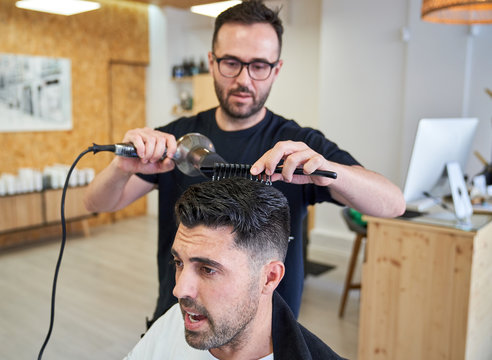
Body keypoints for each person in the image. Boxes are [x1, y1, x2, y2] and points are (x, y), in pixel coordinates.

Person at [84, 0, 405, 325]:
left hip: (265, 336)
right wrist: (121, 169)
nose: (244, 79)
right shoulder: (177, 138)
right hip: (180, 322)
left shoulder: (299, 145)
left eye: (259, 66)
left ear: (276, 69)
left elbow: (392, 204)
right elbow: (96, 202)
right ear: (212, 62)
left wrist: (328, 172)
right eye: (231, 63)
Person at [124, 178, 346, 360]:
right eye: (179, 263)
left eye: (208, 269)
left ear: (269, 277)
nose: (179, 291)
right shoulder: (176, 320)